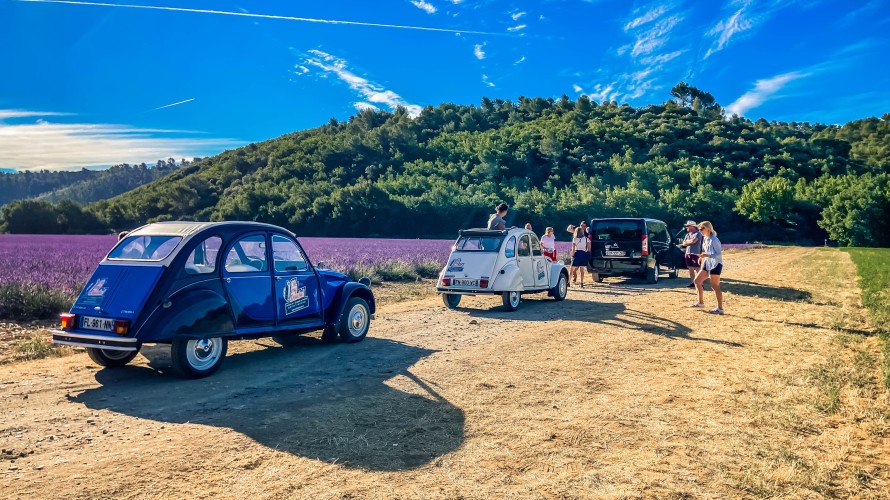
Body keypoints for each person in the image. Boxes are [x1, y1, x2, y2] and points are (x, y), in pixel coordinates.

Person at [691, 221, 724, 314]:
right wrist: (702, 258)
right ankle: (700, 303)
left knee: (715, 286)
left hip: (716, 264)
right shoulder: (705, 239)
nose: (700, 231)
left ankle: (720, 308)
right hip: (707, 263)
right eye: (699, 229)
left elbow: (718, 254)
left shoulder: (714, 239)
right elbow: (706, 251)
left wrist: (706, 255)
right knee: (697, 281)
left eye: (702, 229)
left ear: (708, 229)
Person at [678, 220, 702, 288]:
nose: (686, 227)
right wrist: (689, 241)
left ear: (692, 226)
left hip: (696, 253)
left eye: (688, 226)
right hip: (688, 253)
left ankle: (700, 283)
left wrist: (688, 241)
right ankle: (693, 283)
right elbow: (684, 243)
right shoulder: (688, 234)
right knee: (690, 268)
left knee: (697, 268)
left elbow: (694, 241)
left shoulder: (698, 234)